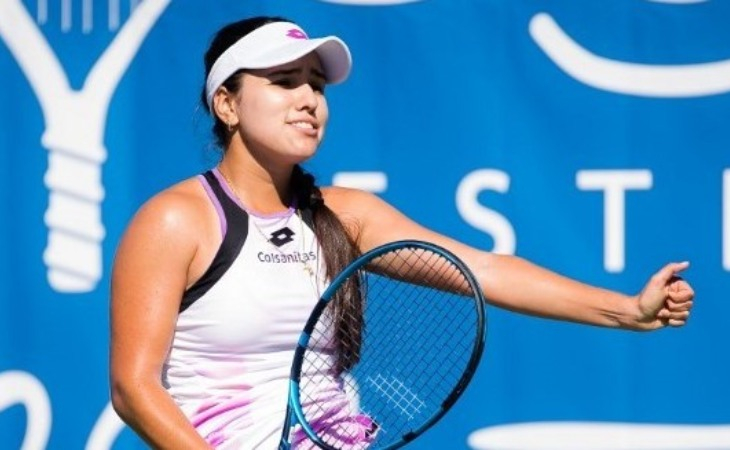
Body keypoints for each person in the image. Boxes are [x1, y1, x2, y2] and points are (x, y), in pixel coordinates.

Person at [109, 15, 695, 450]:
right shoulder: (176, 220)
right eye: (285, 81)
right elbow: (134, 389)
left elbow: (482, 270)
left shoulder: (346, 214)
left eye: (317, 85)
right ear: (227, 105)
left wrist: (626, 310)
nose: (309, 99)